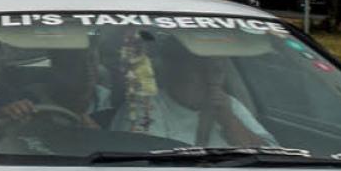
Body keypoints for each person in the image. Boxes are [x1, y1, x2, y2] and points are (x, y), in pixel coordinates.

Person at [112, 36, 273, 147]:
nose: (210, 80)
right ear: (175, 70)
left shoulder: (230, 106)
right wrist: (203, 130)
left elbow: (272, 155)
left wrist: (230, 122)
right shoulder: (145, 108)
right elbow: (148, 166)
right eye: (199, 70)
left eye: (216, 71)